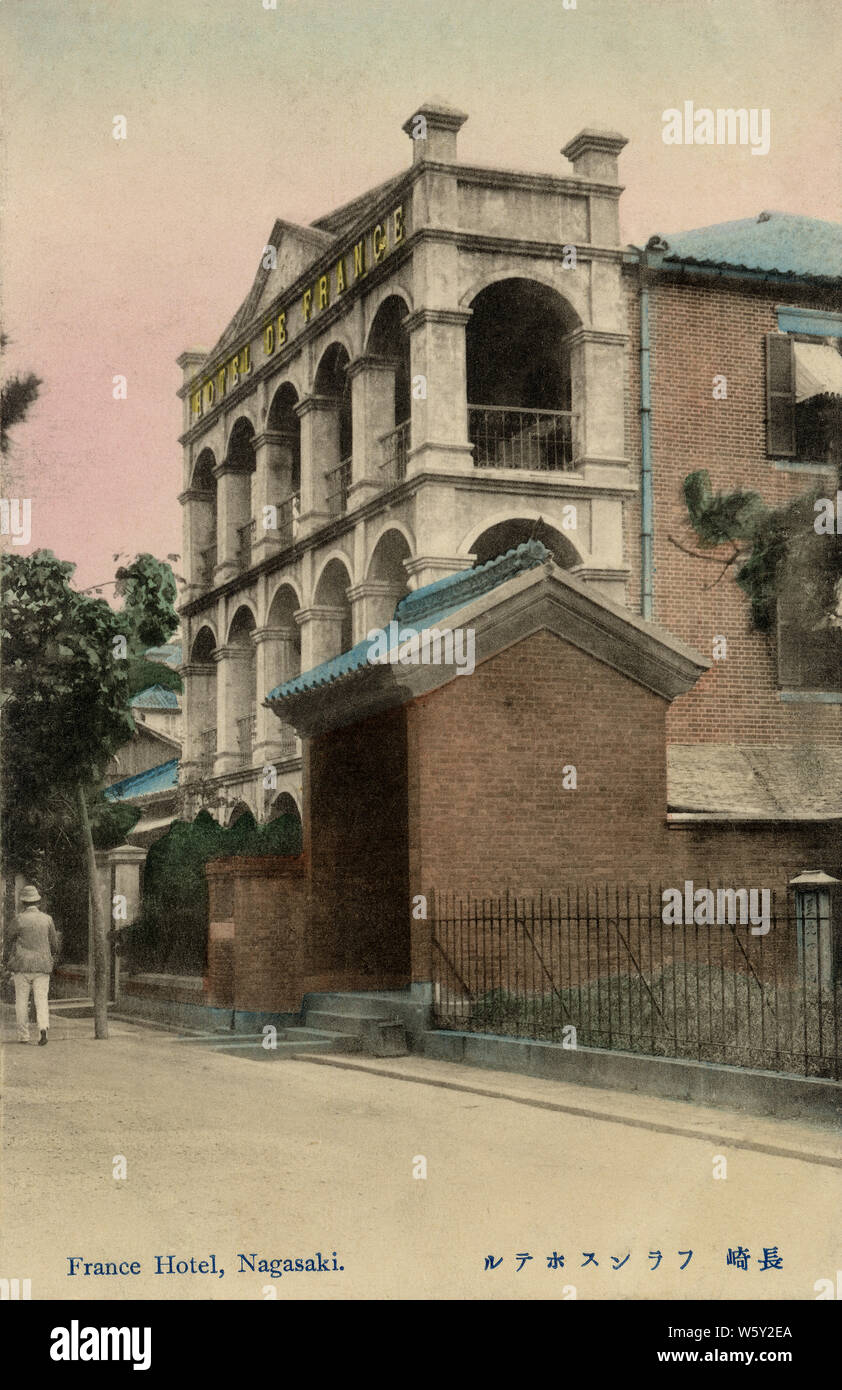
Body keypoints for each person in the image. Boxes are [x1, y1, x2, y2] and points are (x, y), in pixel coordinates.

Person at [3, 885, 59, 1045]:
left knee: (21, 1001)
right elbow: (54, 944)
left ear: (23, 903)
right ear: (38, 902)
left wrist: (9, 957)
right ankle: (43, 1029)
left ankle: (23, 1035)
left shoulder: (19, 919)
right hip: (42, 966)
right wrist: (50, 956)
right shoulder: (47, 919)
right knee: (41, 999)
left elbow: (8, 939)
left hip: (22, 966)